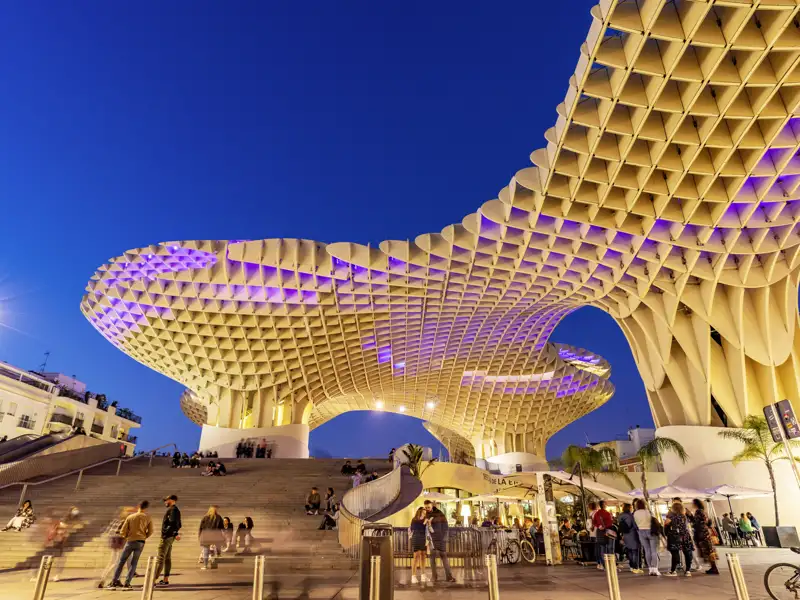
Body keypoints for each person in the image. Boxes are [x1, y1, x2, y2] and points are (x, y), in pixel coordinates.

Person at [107, 500, 153, 590]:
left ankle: (114, 581)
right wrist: (144, 537)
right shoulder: (148, 517)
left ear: (139, 506)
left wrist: (127, 536)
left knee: (121, 562)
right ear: (146, 508)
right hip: (141, 542)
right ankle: (127, 583)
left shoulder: (130, 517)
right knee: (134, 563)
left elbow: (122, 531)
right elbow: (150, 531)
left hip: (130, 541)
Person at [99, 507, 135, 588]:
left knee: (113, 562)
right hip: (119, 543)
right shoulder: (125, 522)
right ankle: (103, 579)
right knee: (117, 563)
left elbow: (109, 531)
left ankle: (116, 580)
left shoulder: (116, 520)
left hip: (113, 543)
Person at [153, 495, 182, 587]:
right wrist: (175, 533)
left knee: (160, 558)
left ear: (172, 500)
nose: (165, 502)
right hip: (170, 536)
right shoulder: (175, 510)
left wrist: (167, 533)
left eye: (166, 500)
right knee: (167, 558)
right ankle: (165, 579)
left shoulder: (173, 510)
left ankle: (152, 580)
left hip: (166, 537)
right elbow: (179, 524)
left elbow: (173, 523)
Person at [425, 501, 456, 583]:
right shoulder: (431, 514)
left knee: (442, 558)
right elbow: (445, 526)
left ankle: (444, 577)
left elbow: (445, 526)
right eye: (426, 507)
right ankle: (437, 577)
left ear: (432, 506)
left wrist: (444, 537)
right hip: (433, 540)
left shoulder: (438, 514)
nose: (427, 509)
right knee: (434, 559)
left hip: (439, 539)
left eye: (428, 507)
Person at [664, 502, 694, 577]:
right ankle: (688, 570)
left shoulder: (670, 517)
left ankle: (673, 571)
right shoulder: (685, 516)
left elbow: (665, 528)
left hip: (674, 536)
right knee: (687, 553)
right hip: (685, 536)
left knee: (675, 553)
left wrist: (667, 534)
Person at [691, 499, 719, 575]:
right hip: (706, 532)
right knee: (709, 550)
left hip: (702, 534)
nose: (692, 505)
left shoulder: (698, 511)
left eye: (692, 503)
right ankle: (713, 567)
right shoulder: (703, 511)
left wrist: (692, 522)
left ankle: (714, 568)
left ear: (696, 504)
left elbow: (696, 523)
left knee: (708, 550)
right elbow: (708, 521)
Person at [633, 499, 659, 576]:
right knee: (653, 551)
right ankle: (655, 569)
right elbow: (654, 520)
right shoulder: (648, 512)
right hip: (650, 531)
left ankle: (650, 569)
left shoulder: (635, 513)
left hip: (641, 531)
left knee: (647, 550)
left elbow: (635, 523)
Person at [618, 503, 642, 574]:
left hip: (625, 535)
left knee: (629, 551)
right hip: (632, 534)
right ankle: (635, 567)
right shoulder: (630, 516)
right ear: (629, 508)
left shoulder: (620, 516)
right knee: (635, 551)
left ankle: (631, 566)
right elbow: (635, 525)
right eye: (631, 507)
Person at [592, 500, 614, 571]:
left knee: (602, 548)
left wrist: (598, 526)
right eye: (605, 504)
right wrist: (605, 526)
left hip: (599, 531)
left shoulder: (597, 513)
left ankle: (603, 564)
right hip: (607, 531)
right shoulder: (607, 513)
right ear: (603, 505)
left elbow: (594, 522)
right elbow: (610, 522)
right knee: (609, 548)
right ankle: (610, 564)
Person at [409, 507, 429, 583]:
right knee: (416, 556)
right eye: (423, 512)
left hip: (423, 538)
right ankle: (413, 576)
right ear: (420, 512)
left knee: (423, 556)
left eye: (425, 512)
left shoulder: (425, 519)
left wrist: (428, 522)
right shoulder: (414, 520)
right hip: (416, 537)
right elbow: (415, 528)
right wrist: (424, 522)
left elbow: (426, 529)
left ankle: (423, 575)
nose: (425, 513)